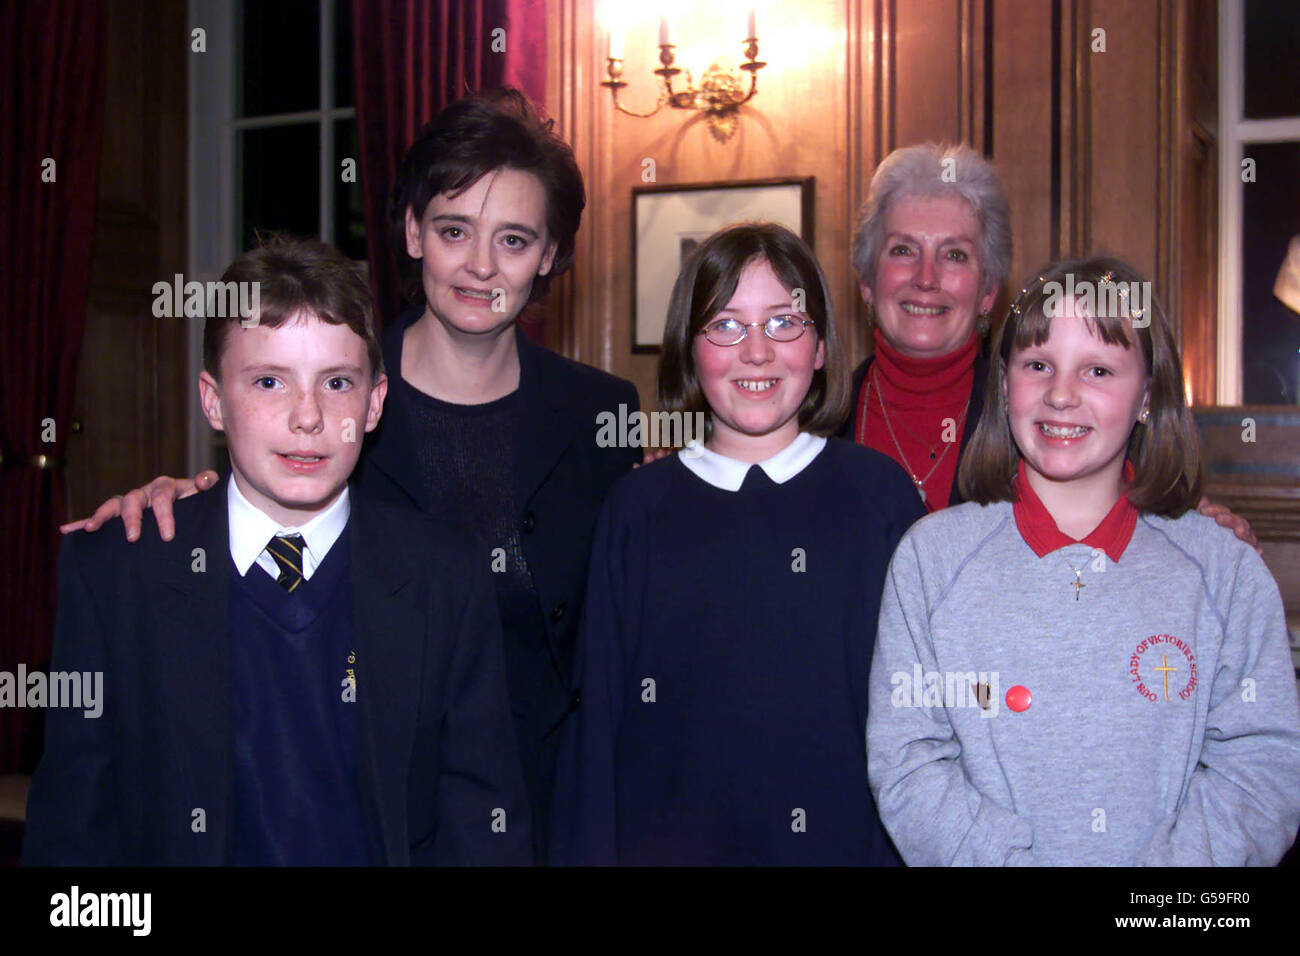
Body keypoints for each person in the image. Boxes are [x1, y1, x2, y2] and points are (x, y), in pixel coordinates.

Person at [59, 90, 641, 863]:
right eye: (453, 230)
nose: (479, 264)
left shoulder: (605, 413)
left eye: (513, 238)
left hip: (539, 805)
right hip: (366, 804)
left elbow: (630, 609)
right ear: (411, 232)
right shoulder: (332, 385)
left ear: (550, 256)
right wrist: (182, 500)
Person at [24, 236, 531, 865]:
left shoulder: (445, 574)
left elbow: (481, 819)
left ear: (373, 404)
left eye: (337, 382)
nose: (308, 417)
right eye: (269, 381)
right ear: (214, 401)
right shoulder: (118, 572)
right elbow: (73, 834)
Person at [866, 257, 1300, 865]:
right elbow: (909, 763)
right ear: (1005, 382)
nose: (1061, 394)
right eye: (1037, 365)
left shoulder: (1224, 573)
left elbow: (1262, 770)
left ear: (1148, 395)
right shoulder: (929, 561)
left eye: (1098, 369)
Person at [549, 223, 922, 865]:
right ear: (689, 350)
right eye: (725, 326)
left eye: (784, 323)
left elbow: (919, 722)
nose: (756, 353)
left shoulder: (881, 499)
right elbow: (596, 723)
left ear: (824, 344)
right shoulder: (637, 509)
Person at [839, 143, 1257, 545]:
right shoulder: (812, 424)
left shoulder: (1050, 418)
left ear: (988, 291)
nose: (926, 278)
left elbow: (1152, 520)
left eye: (954, 255)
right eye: (902, 250)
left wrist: (1205, 536)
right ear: (866, 282)